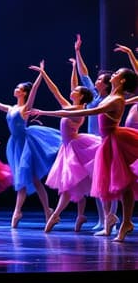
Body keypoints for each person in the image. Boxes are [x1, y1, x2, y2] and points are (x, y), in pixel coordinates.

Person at [30, 67, 138, 242]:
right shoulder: (111, 97)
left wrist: (46, 112)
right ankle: (115, 220)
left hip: (115, 141)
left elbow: (85, 112)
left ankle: (122, 221)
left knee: (123, 183)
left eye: (117, 73)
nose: (114, 74)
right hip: (106, 142)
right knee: (114, 183)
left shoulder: (116, 100)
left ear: (123, 80)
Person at [0, 63, 61, 228]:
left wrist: (40, 74)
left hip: (26, 145)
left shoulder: (25, 108)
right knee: (31, 179)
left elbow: (34, 92)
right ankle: (46, 210)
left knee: (24, 178)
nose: (16, 90)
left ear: (24, 92)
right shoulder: (11, 108)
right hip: (15, 145)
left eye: (19, 89)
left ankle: (19, 212)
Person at [27, 62, 98, 233]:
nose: (72, 91)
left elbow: (62, 113)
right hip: (67, 148)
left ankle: (55, 215)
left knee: (69, 185)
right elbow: (55, 91)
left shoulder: (78, 110)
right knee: (76, 184)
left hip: (75, 149)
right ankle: (80, 215)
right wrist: (43, 74)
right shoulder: (70, 105)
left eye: (75, 91)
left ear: (81, 96)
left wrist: (43, 112)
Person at [73, 34, 115, 230]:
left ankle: (111, 219)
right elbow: (84, 73)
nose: (96, 81)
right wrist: (78, 51)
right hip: (92, 143)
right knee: (96, 182)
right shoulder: (94, 96)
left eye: (100, 80)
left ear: (106, 84)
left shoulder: (111, 99)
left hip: (107, 141)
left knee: (110, 182)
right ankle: (101, 219)